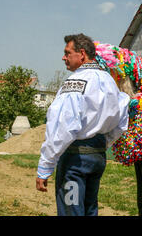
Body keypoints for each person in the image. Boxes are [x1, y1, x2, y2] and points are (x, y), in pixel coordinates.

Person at [36, 34, 130, 216]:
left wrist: (45, 167)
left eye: (67, 53)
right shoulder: (109, 80)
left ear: (81, 53)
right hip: (97, 157)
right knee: (90, 209)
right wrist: (102, 142)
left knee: (72, 210)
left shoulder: (74, 83)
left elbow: (63, 127)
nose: (63, 57)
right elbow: (122, 115)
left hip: (75, 160)